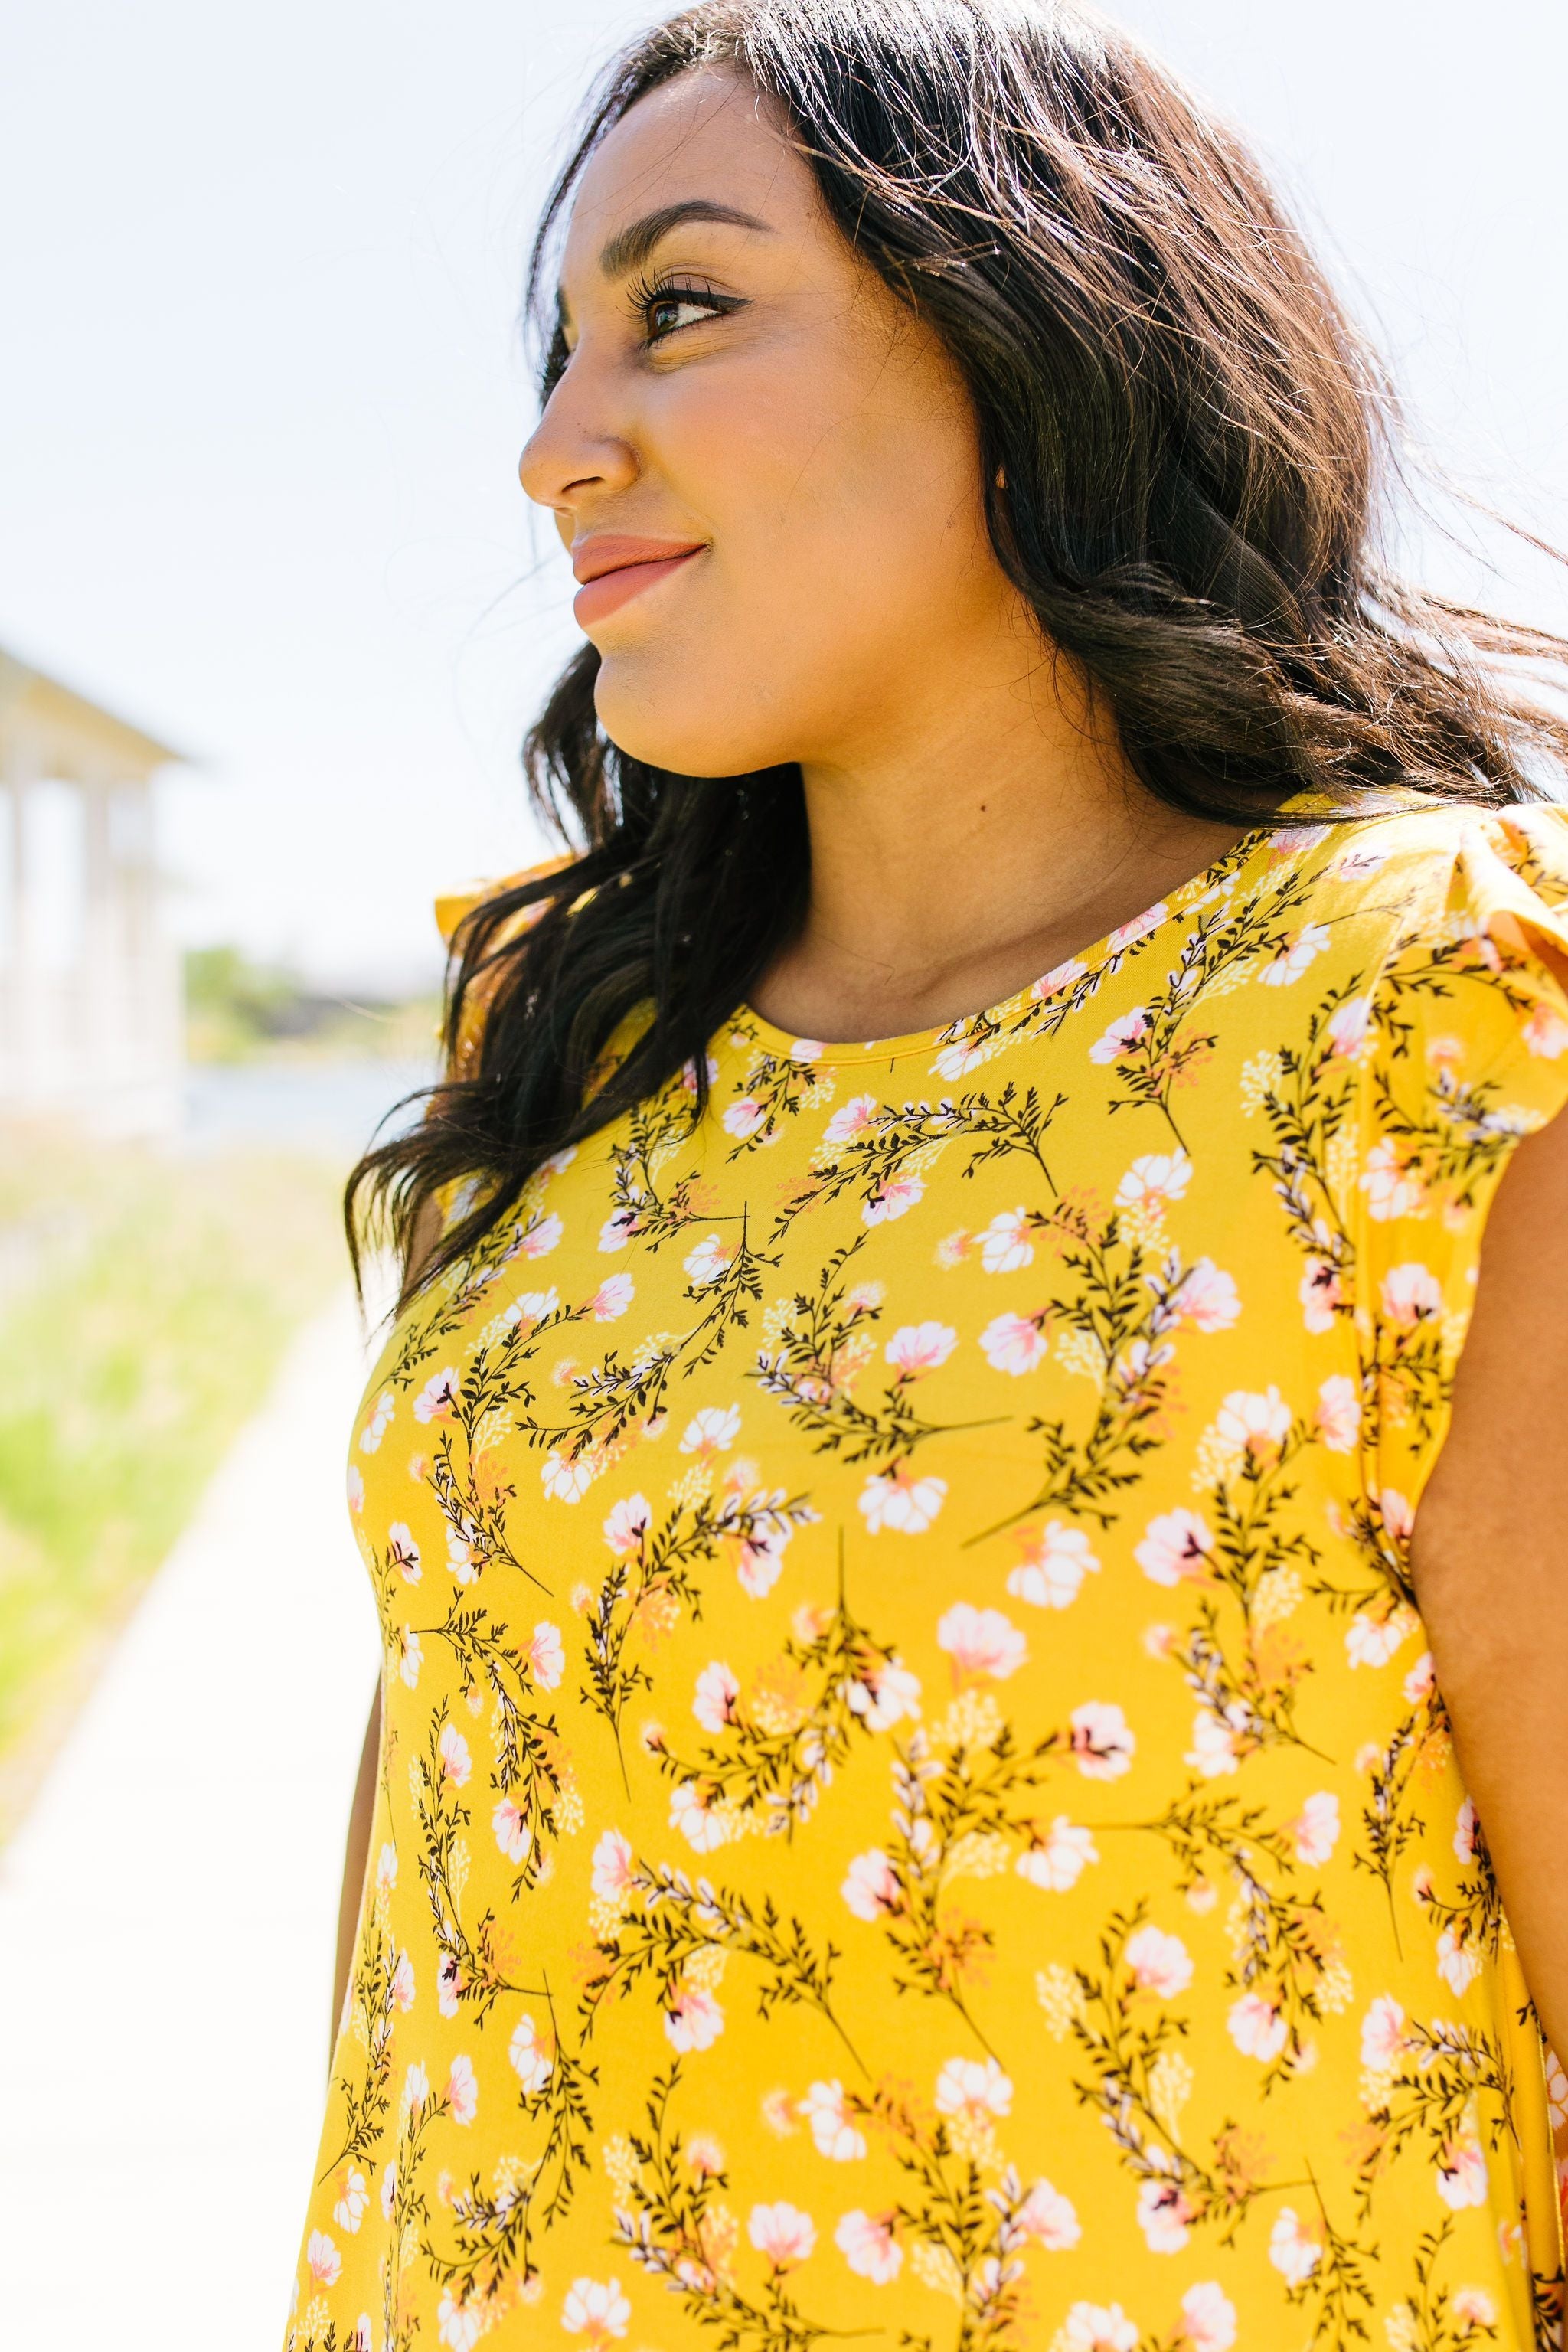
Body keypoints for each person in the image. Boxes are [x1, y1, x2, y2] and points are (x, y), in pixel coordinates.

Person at [286, 5, 1568, 2347]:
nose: (559, 448)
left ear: (1035, 326)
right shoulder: (565, 1040)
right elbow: (437, 1884)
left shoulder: (1429, 1013)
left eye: (680, 308)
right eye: (562, 351)